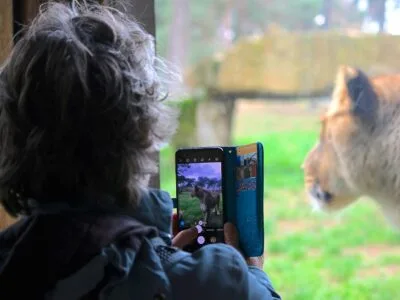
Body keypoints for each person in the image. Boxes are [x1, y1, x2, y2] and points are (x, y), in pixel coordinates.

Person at [0, 1, 281, 299]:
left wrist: (158, 257)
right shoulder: (214, 283)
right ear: (143, 131)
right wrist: (251, 273)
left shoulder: (8, 261)